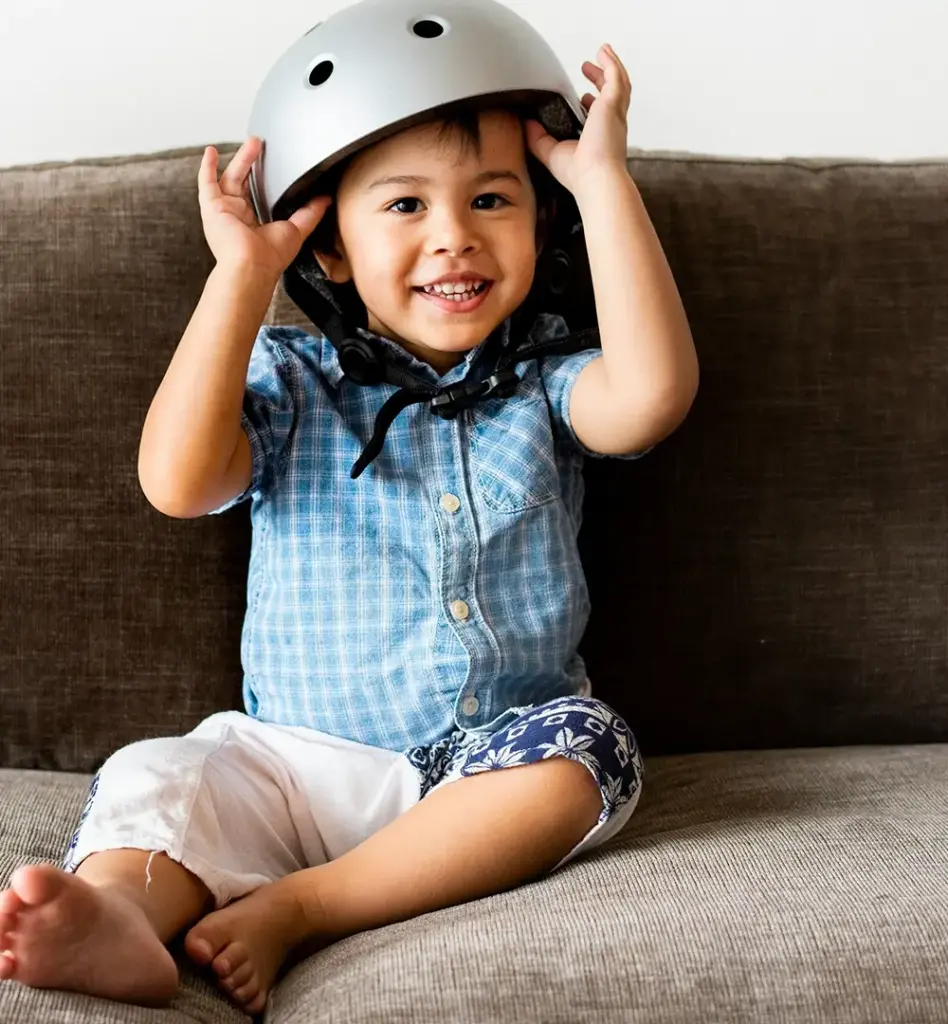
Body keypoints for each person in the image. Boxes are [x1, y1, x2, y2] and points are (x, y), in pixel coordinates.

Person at [0, 0, 697, 1014]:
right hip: (289, 769)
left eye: (493, 200)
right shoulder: (293, 379)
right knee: (161, 775)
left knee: (590, 752)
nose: (455, 237)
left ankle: (304, 907)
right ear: (329, 249)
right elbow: (178, 481)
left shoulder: (545, 381)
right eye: (405, 206)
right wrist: (243, 275)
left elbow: (652, 396)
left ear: (541, 222)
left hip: (483, 772)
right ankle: (115, 916)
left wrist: (602, 180)